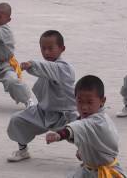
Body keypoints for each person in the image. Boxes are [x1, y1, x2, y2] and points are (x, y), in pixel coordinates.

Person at [7, 30, 78, 162]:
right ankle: (23, 150)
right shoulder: (47, 67)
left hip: (65, 115)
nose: (46, 52)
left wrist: (31, 65)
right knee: (17, 120)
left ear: (62, 48)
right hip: (43, 111)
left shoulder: (65, 68)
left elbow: (48, 68)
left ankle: (89, 156)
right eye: (43, 49)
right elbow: (46, 68)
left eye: (50, 48)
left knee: (82, 131)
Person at [46, 75, 126, 178]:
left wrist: (60, 135)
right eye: (80, 101)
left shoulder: (99, 121)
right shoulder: (85, 119)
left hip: (107, 173)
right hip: (88, 170)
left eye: (89, 102)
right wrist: (84, 153)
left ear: (102, 101)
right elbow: (85, 134)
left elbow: (81, 127)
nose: (84, 107)